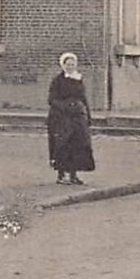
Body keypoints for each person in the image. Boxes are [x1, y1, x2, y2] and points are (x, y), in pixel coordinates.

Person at [47, 52, 95, 185]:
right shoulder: (58, 80)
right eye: (68, 64)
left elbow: (83, 98)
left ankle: (74, 174)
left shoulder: (79, 79)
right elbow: (51, 99)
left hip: (77, 117)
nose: (70, 67)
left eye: (73, 64)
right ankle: (61, 174)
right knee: (62, 145)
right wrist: (66, 106)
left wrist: (87, 115)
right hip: (61, 118)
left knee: (78, 144)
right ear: (63, 65)